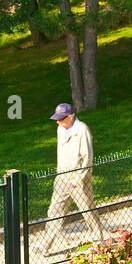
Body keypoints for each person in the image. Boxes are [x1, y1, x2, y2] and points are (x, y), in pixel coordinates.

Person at [45, 102, 103, 251]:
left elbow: (87, 157)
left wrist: (78, 179)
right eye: (57, 119)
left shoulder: (82, 130)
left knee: (88, 211)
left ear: (71, 116)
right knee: (54, 211)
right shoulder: (60, 129)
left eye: (61, 118)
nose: (58, 122)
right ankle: (46, 245)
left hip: (78, 181)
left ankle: (99, 243)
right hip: (62, 179)